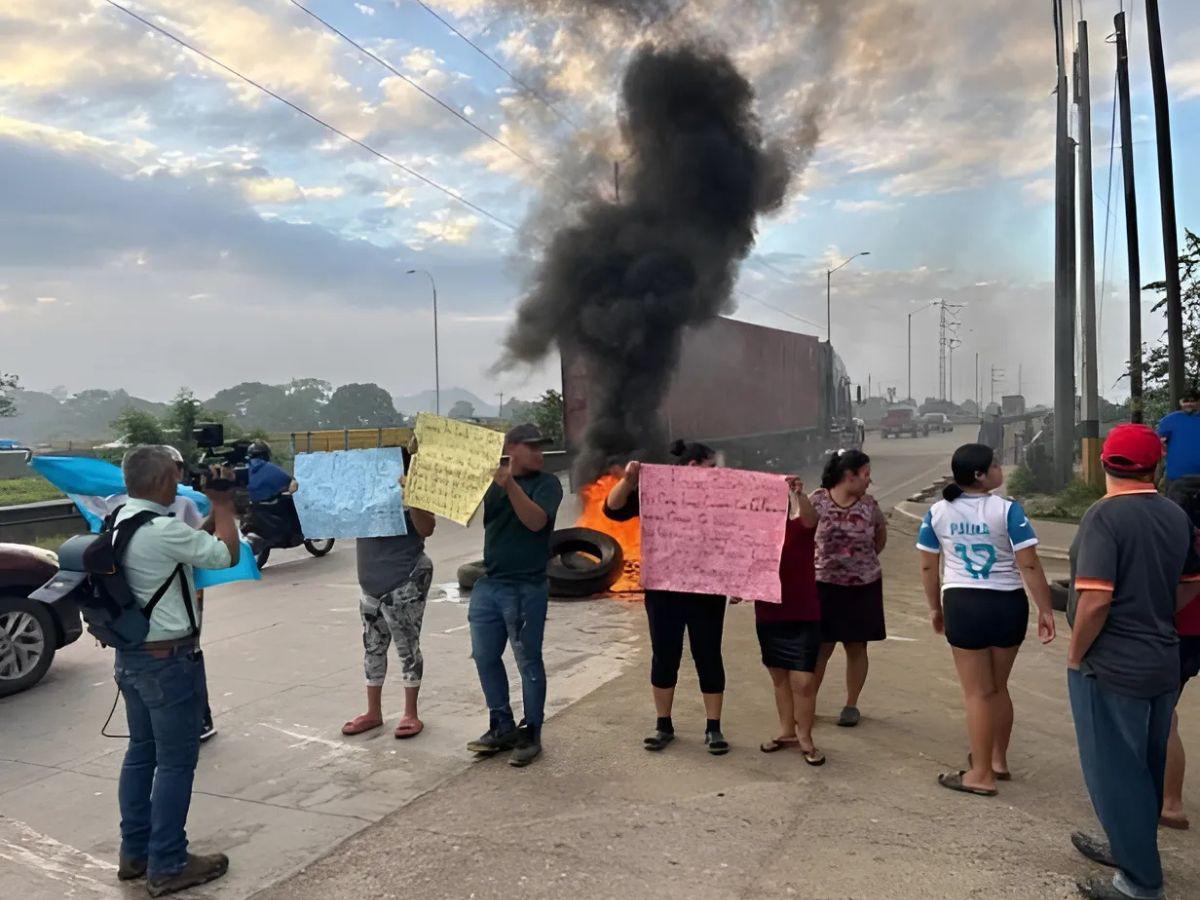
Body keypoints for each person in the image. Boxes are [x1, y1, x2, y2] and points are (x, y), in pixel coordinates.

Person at [1066, 424, 1200, 900]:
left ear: (1103, 463)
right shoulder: (1174, 515)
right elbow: (1190, 583)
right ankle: (1129, 848)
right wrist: (1153, 609)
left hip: (1112, 664)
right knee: (1145, 764)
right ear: (1157, 468)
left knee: (1114, 772)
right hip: (1161, 659)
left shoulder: (1104, 517)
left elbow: (1096, 601)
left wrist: (1076, 653)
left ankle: (1139, 884)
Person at [112, 446, 241, 896]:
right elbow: (225, 555)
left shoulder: (121, 520)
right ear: (167, 480)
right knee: (175, 762)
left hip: (131, 659)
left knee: (141, 753)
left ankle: (136, 852)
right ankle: (168, 862)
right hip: (168, 663)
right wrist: (223, 505)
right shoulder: (163, 529)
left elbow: (191, 548)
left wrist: (208, 517)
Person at [916, 443, 1056, 797]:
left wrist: (935, 608)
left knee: (977, 693)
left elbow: (929, 565)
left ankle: (979, 774)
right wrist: (1045, 609)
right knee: (998, 687)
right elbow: (1029, 563)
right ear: (979, 474)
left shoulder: (937, 512)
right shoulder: (1008, 510)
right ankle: (997, 760)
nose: (1000, 470)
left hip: (963, 603)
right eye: (995, 465)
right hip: (1007, 603)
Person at [605, 440, 733, 756]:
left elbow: (742, 533)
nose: (714, 472)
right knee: (665, 655)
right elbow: (612, 508)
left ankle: (713, 728)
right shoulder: (656, 489)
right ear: (692, 466)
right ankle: (663, 725)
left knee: (708, 654)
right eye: (710, 466)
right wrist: (628, 480)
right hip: (664, 589)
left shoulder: (720, 495)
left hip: (707, 589)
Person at [466, 424, 563, 767]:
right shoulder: (490, 482)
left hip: (527, 587)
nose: (539, 454)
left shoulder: (547, 484)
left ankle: (531, 730)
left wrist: (509, 487)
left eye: (542, 447)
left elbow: (536, 522)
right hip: (490, 584)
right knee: (484, 656)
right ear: (511, 448)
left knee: (528, 662)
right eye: (532, 447)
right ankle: (501, 724)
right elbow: (454, 497)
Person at [342, 443, 437, 740]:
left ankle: (411, 713)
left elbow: (427, 527)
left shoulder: (413, 488)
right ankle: (373, 711)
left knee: (407, 647)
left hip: (404, 580)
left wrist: (413, 497)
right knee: (373, 647)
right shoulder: (363, 493)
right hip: (370, 584)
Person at [810, 449, 887, 727]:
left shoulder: (869, 505)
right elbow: (803, 535)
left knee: (856, 646)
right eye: (865, 475)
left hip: (862, 587)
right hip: (824, 587)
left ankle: (851, 704)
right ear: (848, 475)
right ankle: (809, 704)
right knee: (821, 648)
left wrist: (860, 564)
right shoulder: (818, 501)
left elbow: (880, 536)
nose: (869, 480)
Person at [754, 476, 825, 765]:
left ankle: (805, 735)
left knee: (804, 681)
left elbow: (811, 519)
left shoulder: (800, 526)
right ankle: (786, 731)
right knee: (779, 676)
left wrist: (799, 493)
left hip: (804, 611)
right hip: (769, 612)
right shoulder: (755, 534)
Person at [1162, 588, 1200, 830]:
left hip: (1177, 629)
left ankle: (1171, 804)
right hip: (1189, 630)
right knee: (1164, 713)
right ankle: (1169, 801)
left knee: (1160, 716)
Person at [1157, 387, 1200, 488]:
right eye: (1185, 401)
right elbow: (1158, 441)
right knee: (1175, 504)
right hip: (1176, 479)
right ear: (1180, 402)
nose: (1189, 404)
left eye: (1192, 401)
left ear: (1198, 402)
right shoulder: (1169, 420)